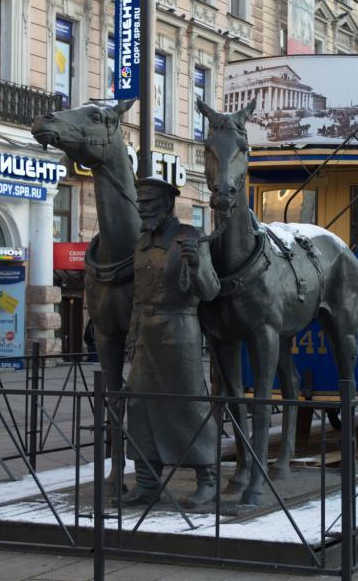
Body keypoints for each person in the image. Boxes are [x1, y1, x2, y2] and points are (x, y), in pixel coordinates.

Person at [122, 177, 221, 508]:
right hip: (147, 334)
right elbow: (138, 295)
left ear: (166, 206)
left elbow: (210, 291)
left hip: (179, 330)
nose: (143, 211)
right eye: (140, 205)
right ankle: (147, 481)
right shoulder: (141, 244)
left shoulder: (188, 238)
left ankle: (208, 479)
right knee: (138, 405)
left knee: (189, 403)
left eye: (148, 205)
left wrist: (194, 263)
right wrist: (133, 336)